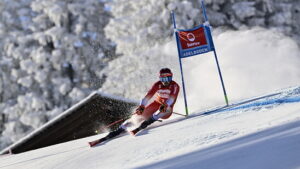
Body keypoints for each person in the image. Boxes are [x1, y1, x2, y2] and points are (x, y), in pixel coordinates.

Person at [89, 68, 180, 147]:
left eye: (167, 77)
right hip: (157, 103)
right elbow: (148, 96)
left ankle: (146, 123)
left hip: (167, 107)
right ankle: (122, 128)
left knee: (162, 111)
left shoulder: (174, 86)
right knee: (138, 116)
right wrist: (142, 106)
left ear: (171, 77)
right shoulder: (157, 84)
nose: (165, 81)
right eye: (163, 78)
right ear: (160, 78)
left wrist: (166, 105)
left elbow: (171, 99)